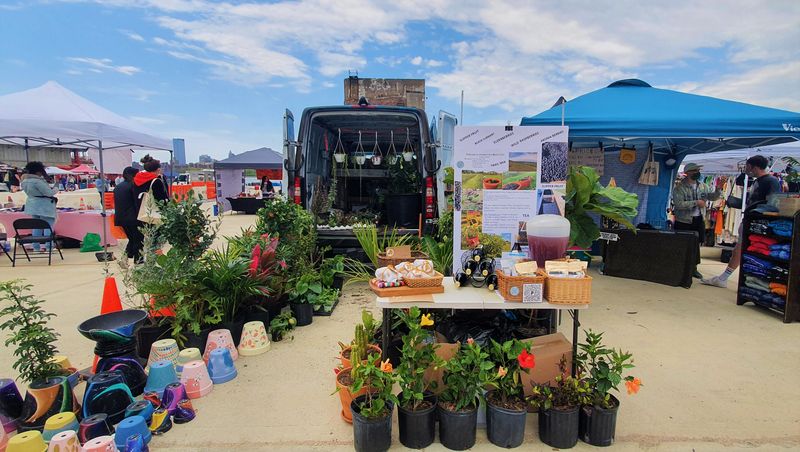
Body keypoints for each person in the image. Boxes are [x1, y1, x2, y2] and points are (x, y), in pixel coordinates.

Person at [702, 155, 782, 288]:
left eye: (747, 166)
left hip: (759, 222)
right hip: (751, 219)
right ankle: (728, 278)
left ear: (753, 167)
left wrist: (758, 214)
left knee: (742, 249)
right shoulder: (758, 181)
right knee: (740, 249)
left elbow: (773, 203)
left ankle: (725, 278)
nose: (745, 169)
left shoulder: (771, 181)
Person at [671, 162, 722, 279]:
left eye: (697, 171)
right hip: (683, 220)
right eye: (694, 171)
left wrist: (718, 189)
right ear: (687, 173)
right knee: (682, 244)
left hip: (698, 219)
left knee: (696, 245)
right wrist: (696, 203)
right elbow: (678, 204)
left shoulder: (703, 186)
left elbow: (711, 197)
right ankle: (680, 267)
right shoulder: (679, 188)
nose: (697, 173)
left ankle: (693, 268)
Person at [20, 161, 58, 252]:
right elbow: (49, 193)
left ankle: (36, 247)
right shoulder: (38, 182)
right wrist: (56, 188)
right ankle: (49, 247)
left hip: (32, 204)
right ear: (38, 172)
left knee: (36, 226)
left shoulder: (24, 181)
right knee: (48, 226)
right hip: (44, 205)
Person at [114, 167, 144, 261]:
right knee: (138, 239)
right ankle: (138, 259)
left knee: (132, 238)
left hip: (120, 217)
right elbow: (137, 202)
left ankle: (126, 257)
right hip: (133, 217)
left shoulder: (118, 187)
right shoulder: (134, 186)